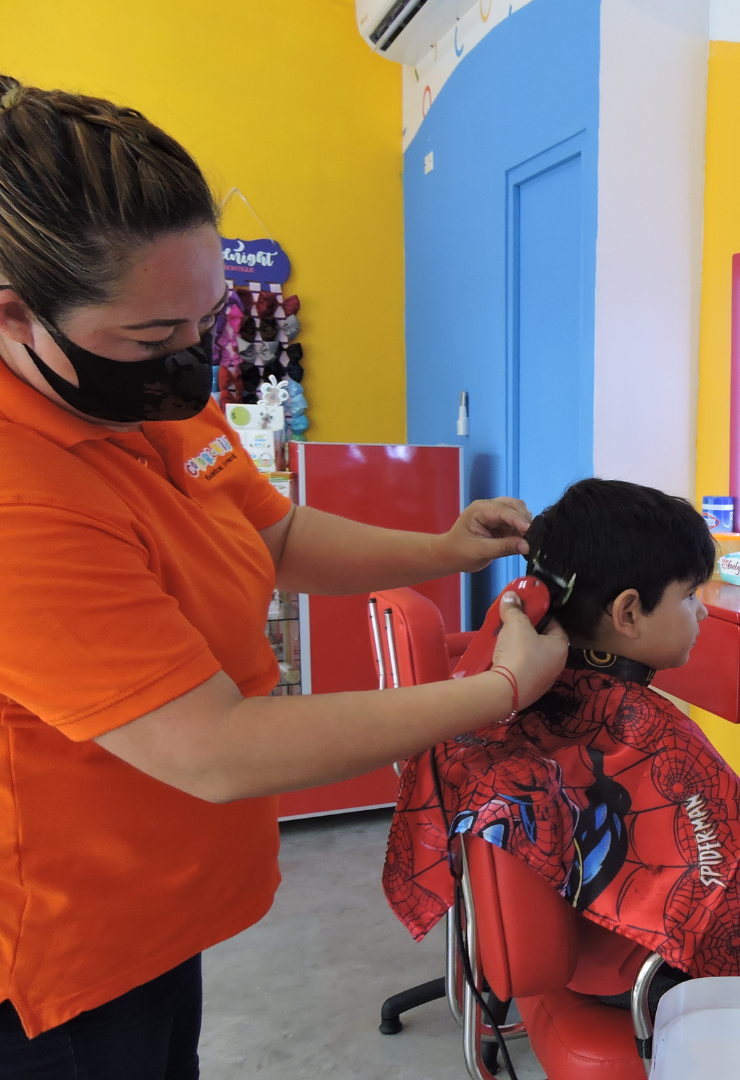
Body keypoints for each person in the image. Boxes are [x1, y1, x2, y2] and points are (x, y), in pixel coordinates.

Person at [0, 74, 567, 1075]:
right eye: (152, 338)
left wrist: (446, 549)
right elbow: (213, 745)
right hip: (61, 950)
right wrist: (499, 692)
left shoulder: (150, 396)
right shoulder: (21, 495)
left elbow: (272, 533)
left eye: (202, 322)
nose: (190, 364)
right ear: (14, 317)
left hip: (161, 904)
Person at [386, 479, 740, 1008]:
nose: (701, 612)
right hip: (647, 977)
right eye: (688, 597)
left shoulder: (524, 704)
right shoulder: (640, 727)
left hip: (598, 954)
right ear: (628, 613)